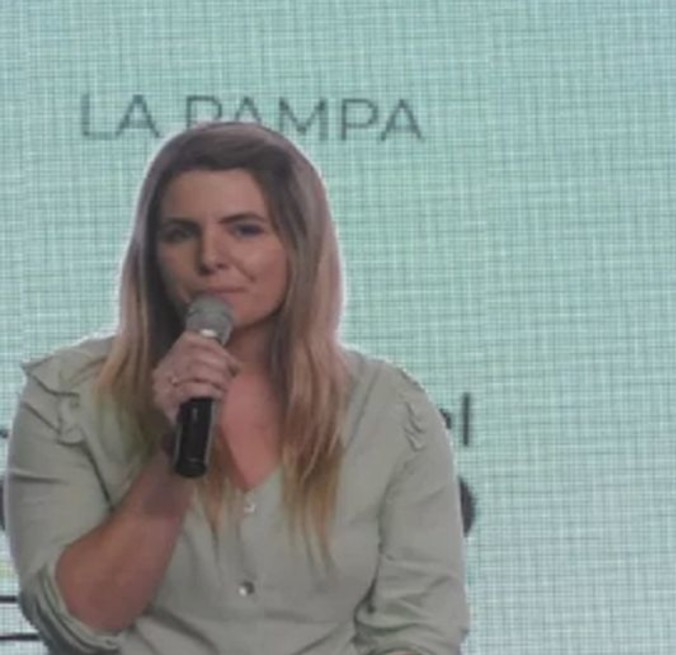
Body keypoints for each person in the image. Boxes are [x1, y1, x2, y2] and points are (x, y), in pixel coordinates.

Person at [5, 121, 469, 654]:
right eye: (180, 233)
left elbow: (418, 631)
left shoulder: (389, 412)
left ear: (299, 246)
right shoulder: (68, 399)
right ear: (151, 255)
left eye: (244, 230)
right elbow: (78, 622)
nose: (210, 257)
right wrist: (173, 458)